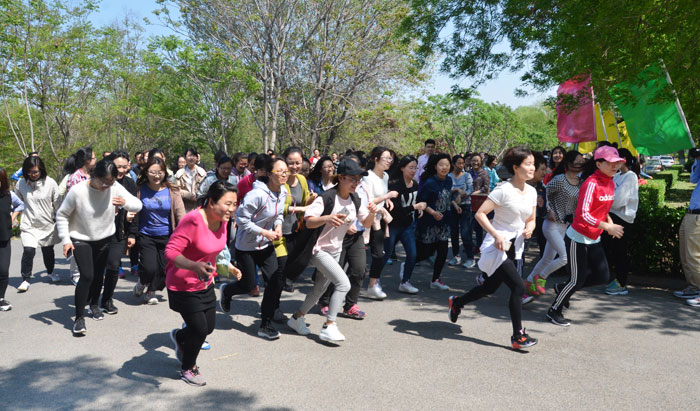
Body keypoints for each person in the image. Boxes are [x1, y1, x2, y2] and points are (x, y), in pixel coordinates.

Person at [448, 146, 538, 350]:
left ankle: (457, 302)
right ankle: (518, 336)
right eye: (528, 164)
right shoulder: (503, 190)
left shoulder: (532, 191)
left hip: (516, 246)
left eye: (533, 164)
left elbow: (532, 219)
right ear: (516, 167)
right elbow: (480, 214)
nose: (533, 168)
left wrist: (530, 229)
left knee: (489, 287)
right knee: (518, 287)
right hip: (498, 245)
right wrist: (497, 235)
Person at [285, 158, 376, 342]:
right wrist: (327, 218)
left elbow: (366, 223)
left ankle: (297, 318)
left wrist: (373, 212)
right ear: (341, 178)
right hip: (319, 250)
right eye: (352, 179)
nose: (356, 183)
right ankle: (329, 325)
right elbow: (309, 221)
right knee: (343, 284)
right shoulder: (326, 197)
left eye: (359, 180)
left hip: (336, 249)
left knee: (320, 288)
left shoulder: (355, 199)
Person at [57, 159, 142, 335]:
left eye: (110, 182)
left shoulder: (114, 187)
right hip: (81, 238)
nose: (106, 186)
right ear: (94, 175)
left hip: (104, 238)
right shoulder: (78, 191)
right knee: (87, 276)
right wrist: (66, 240)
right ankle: (79, 318)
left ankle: (94, 305)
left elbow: (138, 205)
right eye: (103, 181)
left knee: (97, 275)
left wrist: (124, 203)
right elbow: (62, 215)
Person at [166, 181, 238, 386]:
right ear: (212, 202)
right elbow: (170, 251)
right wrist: (194, 266)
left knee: (208, 328)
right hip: (182, 284)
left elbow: (216, 250)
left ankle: (180, 337)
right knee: (198, 329)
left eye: (234, 204)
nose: (232, 209)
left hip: (205, 283)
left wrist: (228, 266)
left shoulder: (222, 220)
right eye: (227, 204)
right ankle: (188, 368)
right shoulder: (192, 221)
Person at [546, 146, 625, 327]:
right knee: (577, 279)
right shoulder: (591, 183)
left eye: (617, 162)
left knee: (602, 276)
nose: (615, 166)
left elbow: (602, 208)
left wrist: (609, 220)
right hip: (578, 238)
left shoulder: (610, 182)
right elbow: (583, 215)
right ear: (599, 164)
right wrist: (607, 227)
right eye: (610, 163)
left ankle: (562, 288)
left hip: (594, 237)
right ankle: (554, 311)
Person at [219, 157, 288, 340]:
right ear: (270, 174)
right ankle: (228, 291)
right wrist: (264, 232)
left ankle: (266, 324)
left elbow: (279, 213)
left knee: (275, 282)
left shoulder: (283, 191)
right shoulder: (256, 194)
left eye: (286, 171)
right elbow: (241, 219)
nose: (284, 174)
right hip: (246, 246)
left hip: (266, 245)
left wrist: (278, 226)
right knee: (248, 285)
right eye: (280, 171)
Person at [524, 151, 584, 299]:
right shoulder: (559, 180)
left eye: (582, 162)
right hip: (551, 225)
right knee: (564, 257)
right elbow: (544, 194)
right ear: (569, 163)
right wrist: (548, 210)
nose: (580, 164)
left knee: (547, 259)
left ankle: (529, 283)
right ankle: (540, 278)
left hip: (564, 226)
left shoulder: (581, 182)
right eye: (577, 162)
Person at [132, 157, 186, 305]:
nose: (157, 176)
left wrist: (185, 231)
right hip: (146, 234)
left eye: (160, 172)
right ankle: (143, 281)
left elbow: (180, 212)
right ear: (146, 172)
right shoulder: (140, 189)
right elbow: (132, 207)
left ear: (165, 173)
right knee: (149, 267)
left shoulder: (172, 190)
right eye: (153, 172)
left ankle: (151, 290)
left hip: (168, 235)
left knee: (165, 268)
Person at [380, 155, 426, 293]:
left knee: (412, 255)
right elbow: (396, 210)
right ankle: (374, 279)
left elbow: (415, 202)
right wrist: (414, 207)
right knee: (386, 253)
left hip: (408, 226)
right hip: (393, 225)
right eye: (410, 167)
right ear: (402, 168)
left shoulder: (415, 184)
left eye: (415, 168)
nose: (413, 171)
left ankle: (405, 281)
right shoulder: (395, 185)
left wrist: (419, 209)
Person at [14, 156, 60, 291]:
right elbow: (17, 202)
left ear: (41, 170)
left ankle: (50, 272)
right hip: (29, 223)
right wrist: (15, 217)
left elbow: (58, 204)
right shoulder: (21, 184)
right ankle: (25, 279)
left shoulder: (50, 183)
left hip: (47, 224)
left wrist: (61, 220)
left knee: (48, 251)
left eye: (35, 171)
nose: (32, 174)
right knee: (28, 251)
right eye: (29, 172)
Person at [102, 151, 138, 313]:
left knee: (113, 266)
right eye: (118, 167)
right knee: (97, 268)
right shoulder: (101, 182)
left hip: (120, 232)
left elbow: (135, 208)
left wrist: (132, 234)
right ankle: (92, 297)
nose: (121, 170)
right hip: (99, 232)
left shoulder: (129, 183)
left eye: (124, 167)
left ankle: (107, 299)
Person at [603, 148, 639, 296]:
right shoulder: (617, 176)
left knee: (620, 251)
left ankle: (621, 283)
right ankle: (614, 278)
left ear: (623, 160)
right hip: (612, 216)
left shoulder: (630, 176)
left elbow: (618, 201)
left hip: (622, 219)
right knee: (611, 250)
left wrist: (606, 200)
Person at [415, 153, 454, 290]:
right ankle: (407, 265)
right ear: (435, 166)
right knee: (426, 253)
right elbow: (421, 201)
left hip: (444, 222)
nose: (444, 167)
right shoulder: (430, 182)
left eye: (447, 165)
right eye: (441, 165)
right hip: (429, 223)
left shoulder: (449, 180)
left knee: (443, 252)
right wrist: (433, 213)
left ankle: (435, 279)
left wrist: (455, 204)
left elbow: (447, 197)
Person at [365, 147, 399, 300]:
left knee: (379, 254)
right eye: (386, 158)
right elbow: (368, 201)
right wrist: (387, 195)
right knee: (354, 256)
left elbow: (381, 195)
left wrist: (387, 199)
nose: (389, 161)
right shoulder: (368, 177)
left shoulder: (385, 176)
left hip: (380, 219)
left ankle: (372, 285)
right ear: (376, 159)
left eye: (390, 158)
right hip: (367, 220)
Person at [675, 147, 700, 304]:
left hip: (698, 216)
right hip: (692, 214)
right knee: (686, 254)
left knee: (694, 255)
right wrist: (697, 160)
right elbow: (693, 179)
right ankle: (694, 287)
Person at [1, 167, 24, 311]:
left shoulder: (9, 195)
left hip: (4, 238)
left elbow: (20, 204)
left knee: (3, 270)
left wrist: (12, 218)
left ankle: (1, 298)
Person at [448, 154, 475, 269]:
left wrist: (462, 194)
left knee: (465, 232)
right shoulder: (449, 176)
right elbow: (446, 191)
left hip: (465, 206)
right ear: (453, 164)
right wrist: (457, 190)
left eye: (462, 163)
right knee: (453, 232)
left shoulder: (467, 175)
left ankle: (470, 258)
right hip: (452, 206)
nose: (461, 165)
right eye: (458, 163)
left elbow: (470, 189)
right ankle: (456, 256)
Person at [174, 148, 207, 212]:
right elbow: (175, 190)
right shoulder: (179, 173)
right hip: (184, 207)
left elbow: (205, 190)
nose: (191, 158)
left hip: (199, 208)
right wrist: (187, 195)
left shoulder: (202, 173)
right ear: (185, 158)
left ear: (197, 158)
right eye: (189, 156)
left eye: (194, 156)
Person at [469, 153, 490, 249]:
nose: (475, 163)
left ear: (481, 162)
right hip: (468, 200)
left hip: (479, 201)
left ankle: (478, 245)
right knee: (468, 225)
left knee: (477, 225)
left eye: (477, 161)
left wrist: (476, 192)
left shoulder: (484, 173)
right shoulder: (468, 172)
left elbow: (486, 187)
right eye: (473, 160)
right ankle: (469, 245)